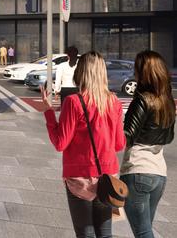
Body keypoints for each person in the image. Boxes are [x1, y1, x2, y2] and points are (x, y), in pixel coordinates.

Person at [41, 51, 125, 238]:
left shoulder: (73, 102)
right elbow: (119, 144)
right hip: (107, 178)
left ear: (81, 72)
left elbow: (60, 143)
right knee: (105, 233)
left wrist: (48, 112)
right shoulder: (114, 102)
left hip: (80, 178)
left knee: (85, 234)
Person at [120, 51, 175, 238]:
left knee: (143, 232)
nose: (134, 72)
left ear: (144, 72)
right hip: (159, 172)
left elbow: (126, 136)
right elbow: (169, 137)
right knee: (145, 230)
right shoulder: (167, 101)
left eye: (136, 68)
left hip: (138, 170)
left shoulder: (142, 99)